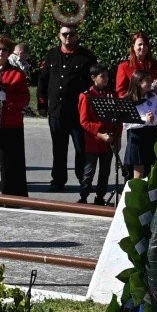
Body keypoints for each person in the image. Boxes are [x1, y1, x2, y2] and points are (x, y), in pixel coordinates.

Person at [39, 24, 98, 193]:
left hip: (79, 113)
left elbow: (93, 84)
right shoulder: (52, 55)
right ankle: (58, 180)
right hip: (57, 111)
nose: (68, 37)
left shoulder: (87, 57)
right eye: (65, 34)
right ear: (59, 36)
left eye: (71, 34)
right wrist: (42, 104)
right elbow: (43, 80)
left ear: (76, 36)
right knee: (59, 149)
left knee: (81, 149)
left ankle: (83, 180)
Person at [0, 36, 31, 196]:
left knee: (11, 162)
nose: (1, 53)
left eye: (4, 50)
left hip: (11, 123)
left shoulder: (17, 74)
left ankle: (11, 196)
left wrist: (7, 98)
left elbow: (25, 98)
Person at [115, 31, 157, 181]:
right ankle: (132, 185)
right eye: (139, 44)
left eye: (145, 44)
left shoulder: (154, 65)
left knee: (150, 153)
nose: (142, 47)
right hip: (134, 110)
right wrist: (136, 97)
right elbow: (121, 91)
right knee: (136, 158)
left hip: (151, 108)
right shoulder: (125, 66)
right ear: (133, 47)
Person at [76, 62, 122, 206]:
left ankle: (100, 197)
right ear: (94, 78)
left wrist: (118, 137)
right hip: (94, 141)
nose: (106, 79)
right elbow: (84, 121)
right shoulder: (86, 96)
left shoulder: (112, 95)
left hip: (109, 140)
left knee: (105, 171)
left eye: (107, 76)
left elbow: (118, 119)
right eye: (102, 76)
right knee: (89, 171)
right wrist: (100, 133)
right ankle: (83, 196)